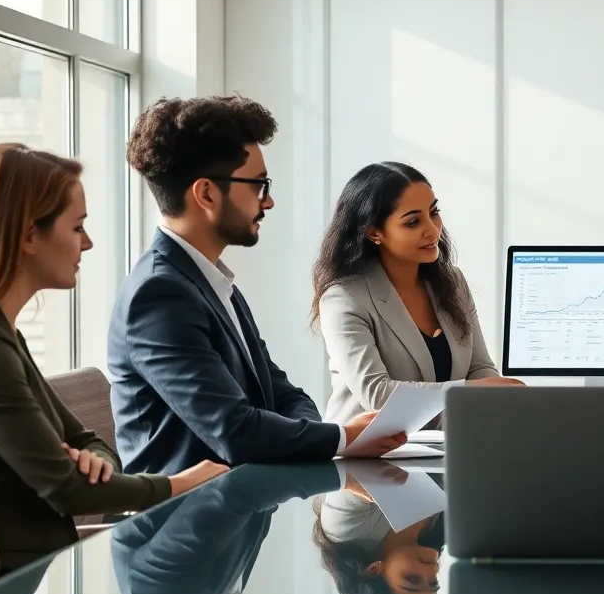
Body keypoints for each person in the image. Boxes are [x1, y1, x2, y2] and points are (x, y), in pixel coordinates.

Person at [0, 144, 228, 574]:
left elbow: (88, 441)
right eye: (77, 227)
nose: (88, 243)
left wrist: (96, 462)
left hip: (38, 573)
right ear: (29, 236)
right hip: (8, 588)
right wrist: (180, 483)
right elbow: (68, 490)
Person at [109, 96, 406, 475]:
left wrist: (326, 436)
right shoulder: (158, 295)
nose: (269, 202)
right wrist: (343, 438)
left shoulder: (211, 282)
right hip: (189, 509)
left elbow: (282, 394)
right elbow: (235, 431)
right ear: (206, 193)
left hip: (243, 498)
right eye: (258, 185)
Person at [313, 162, 521, 424]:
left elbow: (479, 368)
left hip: (446, 442)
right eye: (413, 222)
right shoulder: (343, 298)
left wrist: (498, 397)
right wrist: (470, 392)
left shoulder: (453, 282)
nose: (432, 230)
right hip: (369, 447)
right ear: (374, 232)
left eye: (434, 213)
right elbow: (378, 395)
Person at [312, 463, 445, 594]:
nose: (430, 570)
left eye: (412, 579)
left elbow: (359, 464)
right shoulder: (442, 531)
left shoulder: (345, 530)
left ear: (375, 570)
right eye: (433, 582)